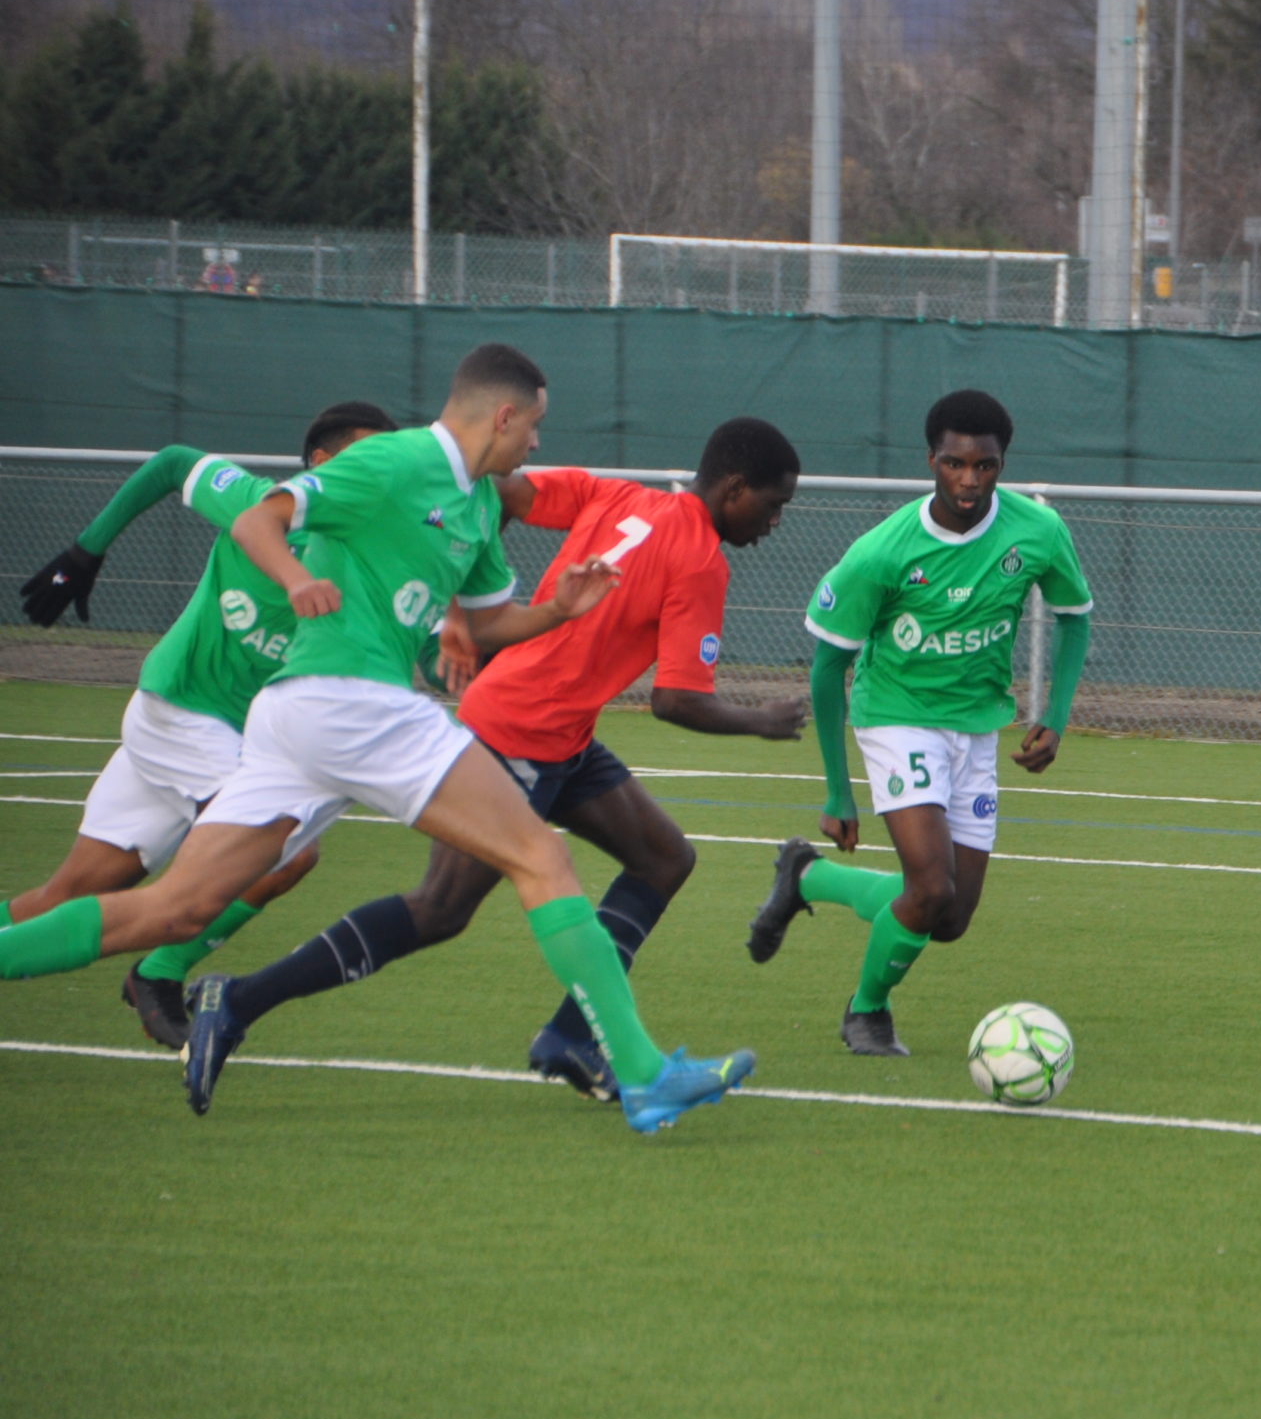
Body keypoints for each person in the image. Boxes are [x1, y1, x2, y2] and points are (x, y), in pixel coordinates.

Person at [0, 343, 756, 1135]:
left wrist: (557, 612)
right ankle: (641, 1076)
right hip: (348, 703)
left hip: (300, 720)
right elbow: (265, 516)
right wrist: (297, 581)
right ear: (503, 416)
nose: (536, 444)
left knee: (174, 912)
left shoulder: (473, 506)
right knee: (542, 857)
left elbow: (490, 621)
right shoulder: (396, 461)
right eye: (533, 426)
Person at [191, 417, 808, 1104]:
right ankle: (238, 999)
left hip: (561, 733)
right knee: (440, 908)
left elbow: (507, 493)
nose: (775, 521)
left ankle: (573, 1036)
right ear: (733, 488)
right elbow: (675, 702)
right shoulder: (700, 560)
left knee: (664, 857)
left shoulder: (621, 496)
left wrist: (466, 597)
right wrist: (762, 720)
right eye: (774, 504)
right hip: (519, 728)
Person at [10, 403, 399, 1046]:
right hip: (180, 713)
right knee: (285, 852)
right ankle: (158, 971)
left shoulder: (368, 541)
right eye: (369, 457)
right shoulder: (256, 504)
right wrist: (85, 551)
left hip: (224, 737)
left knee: (68, 894)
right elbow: (171, 464)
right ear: (323, 465)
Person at [746, 389, 1092, 1056]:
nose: (969, 481)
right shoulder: (882, 552)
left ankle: (807, 878)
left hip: (976, 728)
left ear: (1002, 464)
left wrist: (1055, 715)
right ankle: (867, 1013)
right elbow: (826, 669)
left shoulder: (1038, 532)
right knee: (930, 888)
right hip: (896, 718)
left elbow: (1075, 618)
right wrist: (838, 791)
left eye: (985, 466)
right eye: (954, 464)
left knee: (950, 918)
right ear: (930, 460)